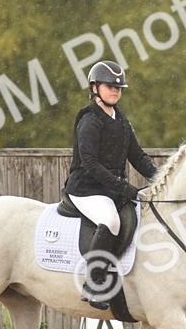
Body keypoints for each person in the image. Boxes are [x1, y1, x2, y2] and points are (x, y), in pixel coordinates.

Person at [62, 60, 159, 309]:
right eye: (109, 86)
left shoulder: (121, 119)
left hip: (109, 189)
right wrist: (124, 187)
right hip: (86, 188)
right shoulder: (90, 120)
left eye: (119, 88)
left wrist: (160, 180)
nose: (115, 91)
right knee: (111, 220)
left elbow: (136, 156)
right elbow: (91, 164)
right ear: (95, 88)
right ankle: (94, 284)